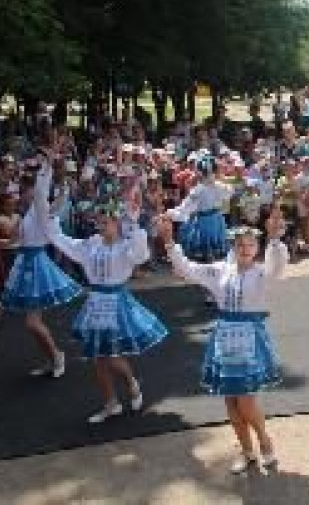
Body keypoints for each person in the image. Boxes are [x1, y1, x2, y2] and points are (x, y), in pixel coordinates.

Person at [36, 158, 167, 423]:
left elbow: (140, 256)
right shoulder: (90, 245)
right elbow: (62, 241)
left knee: (113, 357)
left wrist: (135, 222)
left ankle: (131, 382)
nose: (100, 226)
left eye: (105, 222)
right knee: (98, 359)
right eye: (99, 222)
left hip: (117, 303)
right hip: (96, 303)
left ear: (117, 224)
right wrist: (51, 222)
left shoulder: (125, 247)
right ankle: (110, 403)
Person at [159, 208, 288, 474]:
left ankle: (265, 442)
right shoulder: (220, 271)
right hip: (224, 337)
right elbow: (188, 270)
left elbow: (277, 268)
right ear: (232, 246)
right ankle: (247, 450)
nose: (245, 248)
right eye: (239, 244)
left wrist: (275, 240)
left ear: (257, 248)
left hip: (249, 339)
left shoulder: (261, 273)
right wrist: (170, 243)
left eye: (251, 244)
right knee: (231, 401)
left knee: (246, 401)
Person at [1, 158, 81, 377]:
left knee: (32, 323)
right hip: (24, 265)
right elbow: (15, 242)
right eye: (21, 190)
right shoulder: (26, 214)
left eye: (24, 190)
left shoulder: (39, 210)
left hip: (36, 266)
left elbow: (52, 207)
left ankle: (57, 355)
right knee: (32, 324)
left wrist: (59, 186)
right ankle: (51, 357)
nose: (20, 195)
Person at [166, 156, 232, 262]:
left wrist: (170, 213)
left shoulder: (199, 189)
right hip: (216, 219)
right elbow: (228, 193)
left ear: (200, 173)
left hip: (206, 220)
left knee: (206, 246)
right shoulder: (219, 187)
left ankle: (209, 264)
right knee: (213, 247)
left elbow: (185, 209)